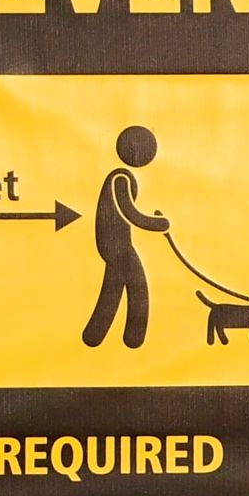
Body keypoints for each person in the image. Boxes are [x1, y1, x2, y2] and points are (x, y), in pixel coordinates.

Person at [83, 124, 172, 348]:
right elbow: (128, 211)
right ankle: (132, 337)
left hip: (116, 242)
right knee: (137, 284)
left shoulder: (121, 176)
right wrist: (157, 224)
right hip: (115, 244)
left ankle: (95, 335)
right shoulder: (119, 178)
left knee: (114, 286)